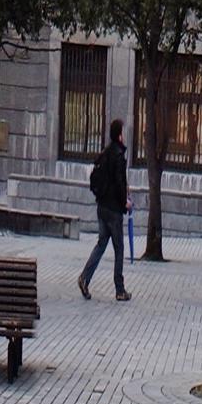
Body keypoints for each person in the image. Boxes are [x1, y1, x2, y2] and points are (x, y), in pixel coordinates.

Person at [79, 120, 131, 301]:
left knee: (101, 244)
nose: (124, 135)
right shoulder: (118, 156)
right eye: (123, 132)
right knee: (119, 248)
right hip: (113, 210)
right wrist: (125, 202)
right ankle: (120, 290)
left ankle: (85, 278)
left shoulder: (105, 153)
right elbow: (119, 183)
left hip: (101, 207)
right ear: (119, 135)